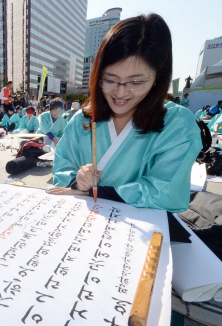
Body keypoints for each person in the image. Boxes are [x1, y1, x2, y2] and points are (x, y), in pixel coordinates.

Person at [46, 14, 201, 213]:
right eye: (110, 79)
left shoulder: (177, 123)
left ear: (157, 77)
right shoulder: (82, 120)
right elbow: (62, 173)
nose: (119, 93)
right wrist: (77, 182)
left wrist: (97, 192)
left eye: (135, 82)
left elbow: (165, 192)